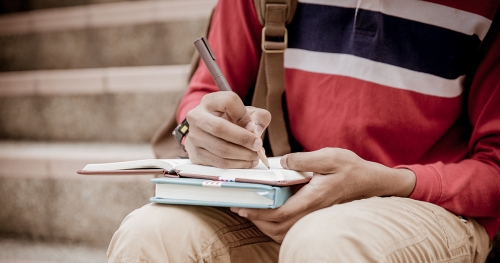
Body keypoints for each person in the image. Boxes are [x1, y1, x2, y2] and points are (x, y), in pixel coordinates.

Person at [107, 0, 500, 262]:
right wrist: (199, 128)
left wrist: (389, 181)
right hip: (274, 201)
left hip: (429, 204)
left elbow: (494, 168)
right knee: (149, 234)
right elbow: (203, 95)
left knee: (326, 242)